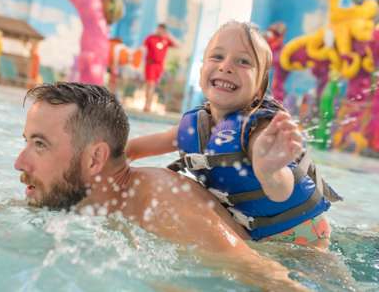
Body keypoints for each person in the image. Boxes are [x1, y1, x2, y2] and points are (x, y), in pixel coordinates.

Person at [14, 82, 305, 291]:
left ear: (95, 159)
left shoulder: (165, 205)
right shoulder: (77, 194)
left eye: (40, 145)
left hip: (301, 258)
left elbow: (268, 277)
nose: (19, 162)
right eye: (26, 141)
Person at [126, 21, 342, 249]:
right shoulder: (194, 126)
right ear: (201, 72)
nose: (226, 66)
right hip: (251, 234)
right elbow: (132, 150)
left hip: (304, 239)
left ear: (260, 88)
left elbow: (281, 189)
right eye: (217, 57)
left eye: (244, 62)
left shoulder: (259, 129)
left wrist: (269, 171)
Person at [143, 23, 180, 112]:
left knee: (152, 85)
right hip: (150, 64)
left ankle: (148, 104)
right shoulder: (151, 38)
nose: (159, 31)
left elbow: (178, 45)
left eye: (162, 29)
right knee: (150, 84)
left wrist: (169, 35)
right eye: (158, 29)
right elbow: (143, 49)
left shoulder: (166, 39)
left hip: (159, 66)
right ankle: (147, 105)